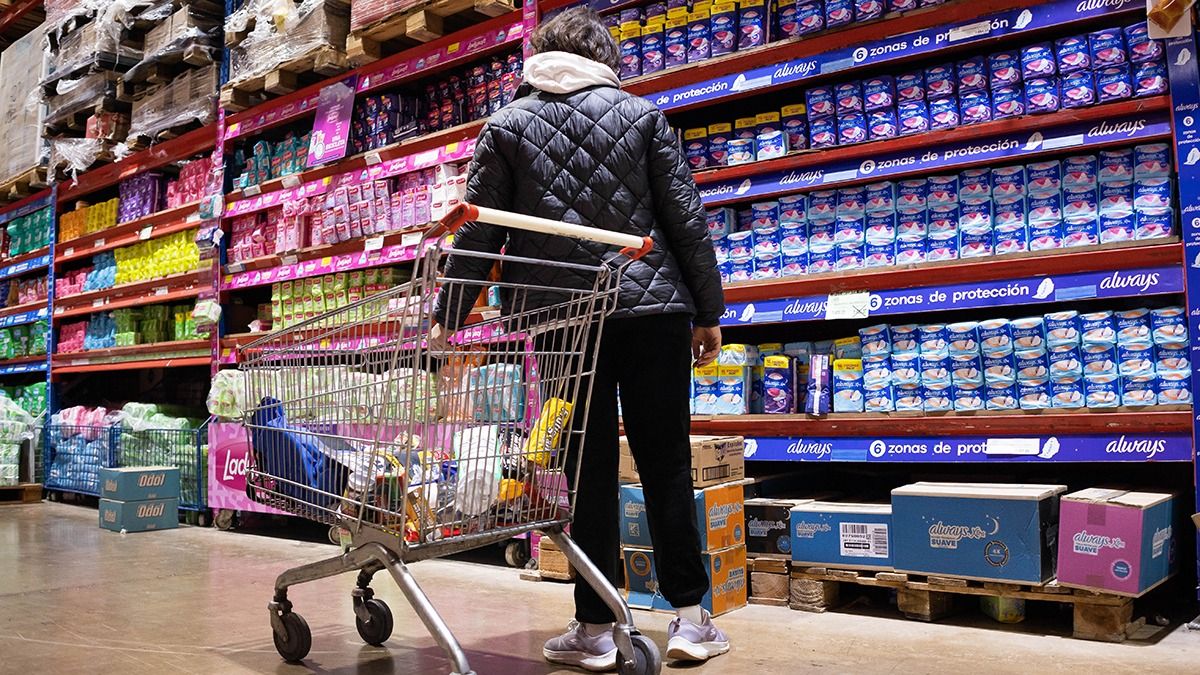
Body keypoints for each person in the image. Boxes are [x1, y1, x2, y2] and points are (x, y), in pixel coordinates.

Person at [431, 7, 729, 671]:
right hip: (652, 313)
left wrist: (447, 317)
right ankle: (690, 619)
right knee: (665, 462)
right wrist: (708, 310)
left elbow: (478, 232)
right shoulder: (642, 116)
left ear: (539, 57)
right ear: (604, 58)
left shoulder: (507, 126)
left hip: (563, 321)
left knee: (585, 472)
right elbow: (686, 220)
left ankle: (595, 627)